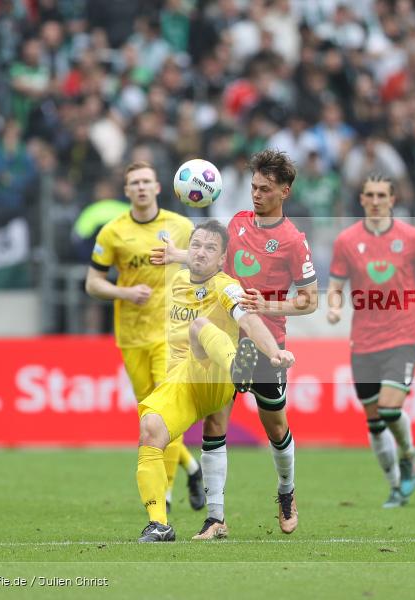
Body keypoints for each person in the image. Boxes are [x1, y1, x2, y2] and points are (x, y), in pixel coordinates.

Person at [152, 149, 318, 539]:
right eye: (253, 187)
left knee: (275, 427)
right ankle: (216, 518)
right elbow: (213, 264)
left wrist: (270, 304)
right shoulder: (238, 223)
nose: (256, 194)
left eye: (264, 188)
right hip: (224, 337)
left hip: (265, 344)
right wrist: (178, 255)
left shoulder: (294, 241)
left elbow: (310, 300)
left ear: (285, 191)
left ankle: (286, 491)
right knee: (215, 420)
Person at [136, 220, 295, 542]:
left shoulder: (227, 286)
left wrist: (273, 352)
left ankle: (239, 367)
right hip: (183, 381)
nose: (201, 253)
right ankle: (159, 524)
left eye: (211, 248)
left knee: (199, 327)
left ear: (222, 258)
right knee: (150, 428)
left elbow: (249, 319)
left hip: (218, 374)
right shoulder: (178, 280)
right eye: (196, 245)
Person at [85, 161, 205, 515]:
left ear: (157, 188)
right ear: (126, 191)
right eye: (133, 182)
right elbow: (93, 283)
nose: (140, 187)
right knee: (148, 417)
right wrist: (123, 294)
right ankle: (192, 468)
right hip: (131, 336)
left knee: (165, 415)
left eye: (146, 181)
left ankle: (163, 496)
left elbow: (208, 267)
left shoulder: (180, 227)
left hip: (171, 335)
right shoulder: (112, 232)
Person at [326, 174, 415, 507]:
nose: (375, 200)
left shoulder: (412, 237)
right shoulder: (346, 241)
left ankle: (408, 454)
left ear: (393, 200)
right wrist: (334, 309)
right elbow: (335, 286)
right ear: (361, 199)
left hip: (403, 335)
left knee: (390, 409)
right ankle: (394, 484)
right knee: (374, 421)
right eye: (369, 195)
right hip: (362, 341)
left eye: (382, 195)